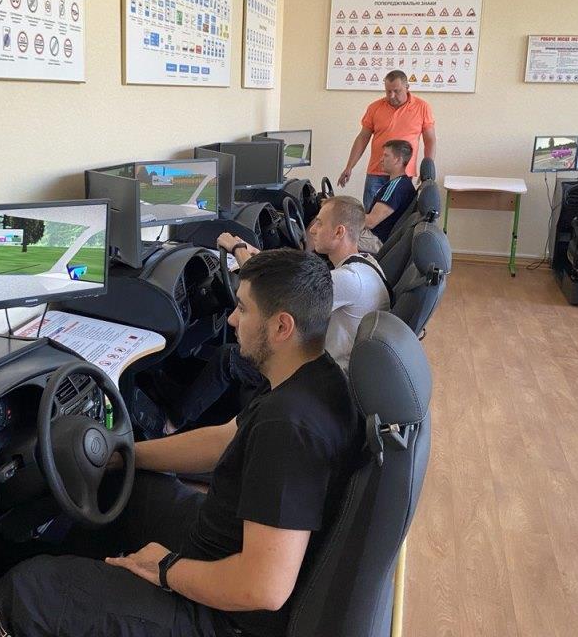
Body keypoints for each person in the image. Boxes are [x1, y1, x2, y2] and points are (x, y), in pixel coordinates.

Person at [0, 250, 362, 637]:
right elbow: (223, 440)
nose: (231, 318)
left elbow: (263, 589)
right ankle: (73, 588)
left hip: (221, 617)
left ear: (281, 327)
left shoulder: (290, 427)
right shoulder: (311, 377)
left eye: (243, 309)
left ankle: (43, 600)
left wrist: (164, 569)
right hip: (218, 541)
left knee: (25, 594)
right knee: (122, 487)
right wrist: (125, 456)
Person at [151, 196, 390, 433]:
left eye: (319, 223)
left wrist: (238, 250)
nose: (312, 229)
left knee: (228, 357)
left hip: (324, 384)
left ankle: (170, 425)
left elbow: (273, 295)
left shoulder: (349, 280)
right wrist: (258, 256)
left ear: (339, 232)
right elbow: (296, 277)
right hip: (334, 371)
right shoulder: (365, 265)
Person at [338, 69, 436, 209]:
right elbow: (362, 138)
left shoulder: (422, 107)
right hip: (376, 172)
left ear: (407, 87)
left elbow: (430, 140)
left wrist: (427, 171)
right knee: (371, 214)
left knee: (400, 216)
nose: (392, 96)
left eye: (396, 91)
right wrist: (349, 167)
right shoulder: (374, 107)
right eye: (388, 91)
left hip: (403, 174)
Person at [358, 139, 416, 254]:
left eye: (386, 155)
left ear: (398, 160)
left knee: (328, 234)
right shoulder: (400, 183)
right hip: (378, 237)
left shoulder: (396, 187)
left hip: (377, 240)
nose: (381, 159)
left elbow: (370, 222)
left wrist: (343, 215)